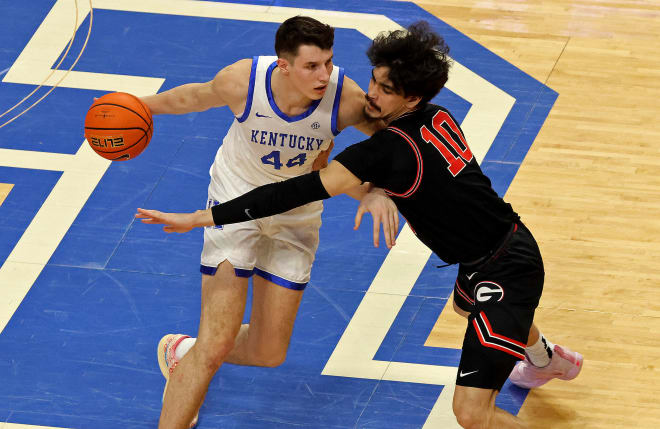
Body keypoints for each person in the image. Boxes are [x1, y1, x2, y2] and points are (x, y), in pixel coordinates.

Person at [136, 21, 584, 429]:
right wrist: (371, 189)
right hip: (491, 249)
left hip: (506, 268)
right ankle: (544, 360)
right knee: (468, 311)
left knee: (471, 414)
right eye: (373, 79)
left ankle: (539, 359)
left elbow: (292, 192)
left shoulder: (385, 149)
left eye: (385, 89)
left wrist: (200, 217)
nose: (370, 94)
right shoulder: (438, 116)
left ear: (411, 98)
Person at [139, 16, 396, 429]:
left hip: (296, 214)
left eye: (328, 63)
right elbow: (193, 98)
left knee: (268, 352)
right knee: (218, 341)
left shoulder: (344, 98)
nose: (323, 74)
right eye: (312, 66)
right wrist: (138, 105)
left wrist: (377, 190)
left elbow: (390, 142)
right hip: (234, 201)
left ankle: (184, 353)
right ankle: (196, 364)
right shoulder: (243, 80)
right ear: (283, 64)